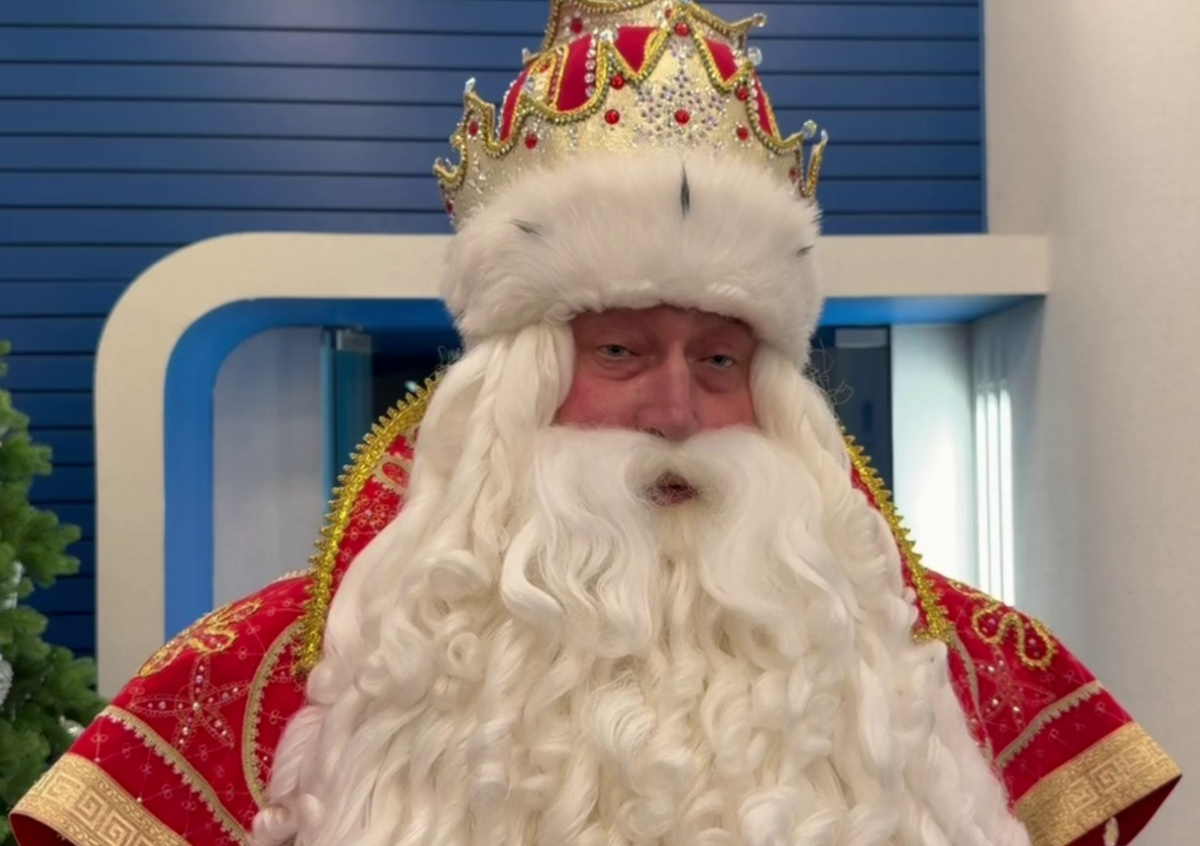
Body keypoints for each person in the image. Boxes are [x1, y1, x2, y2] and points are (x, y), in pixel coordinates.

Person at [10, 1, 1180, 844]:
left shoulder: (962, 669)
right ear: (517, 380)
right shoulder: (277, 671)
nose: (675, 410)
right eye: (620, 351)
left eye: (719, 360)